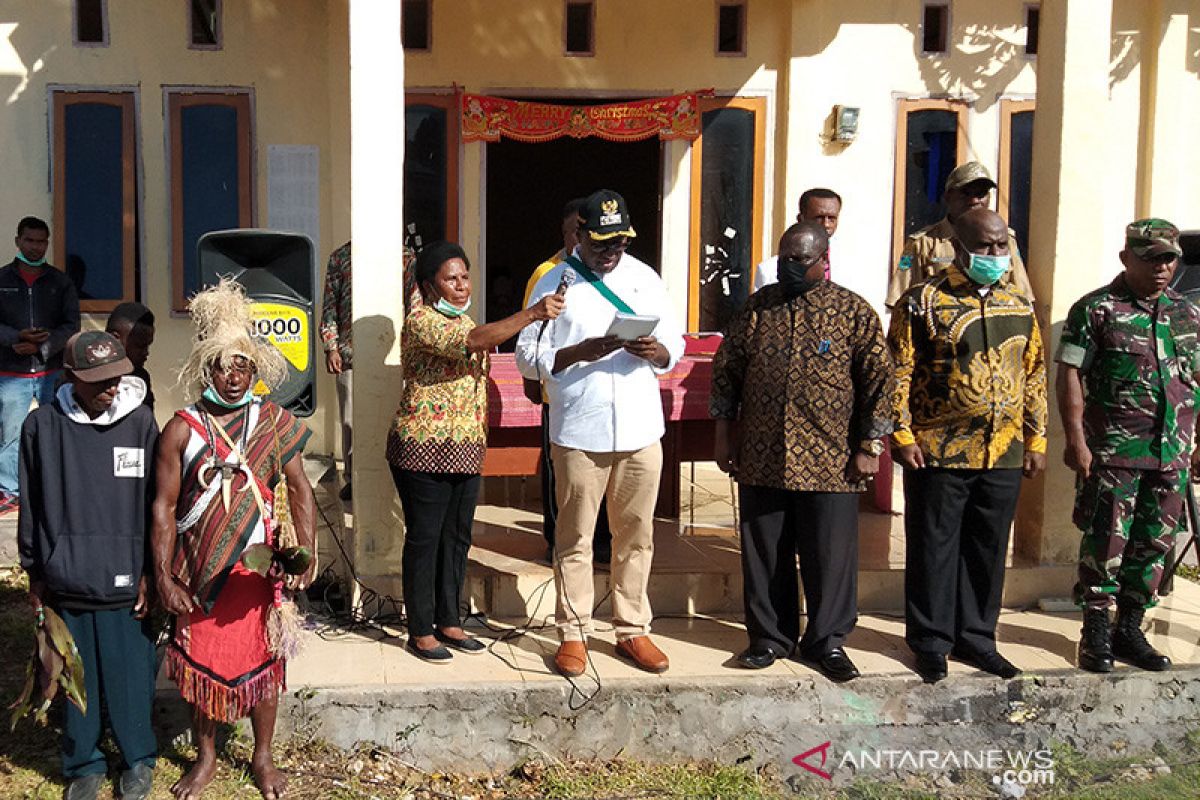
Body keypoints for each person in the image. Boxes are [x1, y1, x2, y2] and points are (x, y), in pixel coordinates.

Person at [151, 279, 315, 800]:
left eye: (242, 366)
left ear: (253, 370)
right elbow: (163, 507)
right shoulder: (181, 429)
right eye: (223, 366)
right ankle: (206, 757)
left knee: (265, 663)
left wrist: (306, 553)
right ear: (208, 370)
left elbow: (299, 487)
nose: (233, 375)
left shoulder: (271, 421)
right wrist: (161, 575)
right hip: (199, 572)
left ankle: (263, 759)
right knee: (204, 665)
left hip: (257, 572)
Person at [712, 222, 894, 682]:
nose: (788, 267)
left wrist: (870, 445)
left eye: (799, 260)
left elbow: (880, 382)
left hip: (830, 460)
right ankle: (769, 638)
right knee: (765, 553)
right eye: (783, 258)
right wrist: (722, 436)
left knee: (829, 558)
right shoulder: (758, 309)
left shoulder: (852, 312)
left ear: (822, 260)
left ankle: (827, 642)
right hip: (763, 454)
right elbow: (726, 373)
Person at [516, 189, 686, 677]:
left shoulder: (644, 278)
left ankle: (632, 628)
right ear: (580, 235)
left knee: (637, 534)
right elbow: (528, 357)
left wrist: (655, 352)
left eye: (619, 243)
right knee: (575, 537)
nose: (610, 253)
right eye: (601, 243)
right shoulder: (554, 282)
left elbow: (674, 342)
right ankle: (572, 632)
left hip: (639, 426)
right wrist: (578, 352)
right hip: (579, 429)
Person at [888, 207, 1047, 684]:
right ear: (959, 247)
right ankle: (931, 642)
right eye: (985, 246)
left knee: (987, 547)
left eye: (1002, 246)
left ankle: (977, 638)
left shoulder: (1018, 304)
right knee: (934, 547)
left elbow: (1034, 373)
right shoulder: (923, 301)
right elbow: (898, 371)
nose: (995, 254)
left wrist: (1036, 438)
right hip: (937, 449)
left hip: (1002, 450)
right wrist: (901, 434)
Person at [387, 241, 563, 663]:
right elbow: (474, 339)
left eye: (465, 276)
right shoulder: (422, 321)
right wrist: (534, 312)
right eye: (451, 278)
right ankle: (420, 629)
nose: (462, 285)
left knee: (457, 537)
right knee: (426, 539)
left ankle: (450, 620)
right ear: (431, 286)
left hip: (463, 448)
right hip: (422, 449)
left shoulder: (461, 316)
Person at [18, 331, 158, 800]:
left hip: (125, 578)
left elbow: (155, 506)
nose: (110, 388)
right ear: (70, 377)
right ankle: (83, 764)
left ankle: (138, 760)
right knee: (77, 682)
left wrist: (151, 572)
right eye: (97, 381)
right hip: (67, 579)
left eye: (117, 378)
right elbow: (32, 504)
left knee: (130, 678)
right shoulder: (43, 427)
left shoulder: (141, 424)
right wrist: (35, 571)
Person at [1056, 218, 1197, 674]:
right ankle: (1095, 632)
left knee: (1154, 544)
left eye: (1169, 258)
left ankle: (1130, 629)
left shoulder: (1187, 314)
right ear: (1126, 258)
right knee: (1105, 543)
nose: (1162, 267)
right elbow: (1070, 375)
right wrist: (1076, 440)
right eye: (1150, 257)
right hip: (1114, 452)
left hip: (1170, 451)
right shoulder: (1097, 310)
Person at [522, 198, 613, 565]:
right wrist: (532, 382)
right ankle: (555, 538)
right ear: (565, 231)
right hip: (558, 390)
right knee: (557, 473)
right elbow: (532, 329)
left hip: (601, 393)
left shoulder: (614, 273)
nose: (580, 236)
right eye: (574, 229)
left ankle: (602, 539)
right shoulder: (548, 272)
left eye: (585, 229)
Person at [0, 216, 80, 513]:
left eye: (41, 241)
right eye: (30, 240)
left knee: (55, 429)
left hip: (51, 372)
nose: (35, 247)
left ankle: (51, 488)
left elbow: (71, 325)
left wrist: (43, 347)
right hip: (11, 373)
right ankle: (10, 492)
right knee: (11, 434)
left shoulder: (60, 282)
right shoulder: (2, 280)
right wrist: (14, 338)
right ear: (18, 241)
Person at [886, 162, 1034, 307]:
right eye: (966, 193)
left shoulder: (1005, 241)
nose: (974, 201)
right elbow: (902, 303)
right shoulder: (923, 243)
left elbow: (1023, 299)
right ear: (948, 197)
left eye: (981, 194)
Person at [752, 188, 841, 290]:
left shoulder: (852, 267)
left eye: (831, 218)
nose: (826, 224)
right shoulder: (768, 271)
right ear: (801, 219)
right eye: (818, 217)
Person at [320, 241, 354, 502]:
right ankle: (354, 479)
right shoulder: (341, 257)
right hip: (350, 355)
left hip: (392, 357)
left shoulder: (402, 257)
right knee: (350, 421)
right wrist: (331, 347)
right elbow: (330, 306)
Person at [106, 302, 156, 411]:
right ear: (114, 339)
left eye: (147, 346)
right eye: (140, 346)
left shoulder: (140, 378)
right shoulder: (83, 377)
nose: (146, 353)